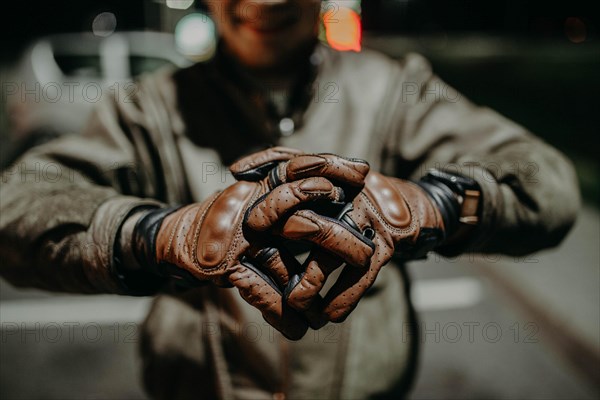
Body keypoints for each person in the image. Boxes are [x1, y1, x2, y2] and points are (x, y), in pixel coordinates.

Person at [0, 1, 580, 399]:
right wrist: (159, 235)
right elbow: (17, 206)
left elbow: (546, 182)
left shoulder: (394, 90)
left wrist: (431, 204)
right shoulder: (149, 107)